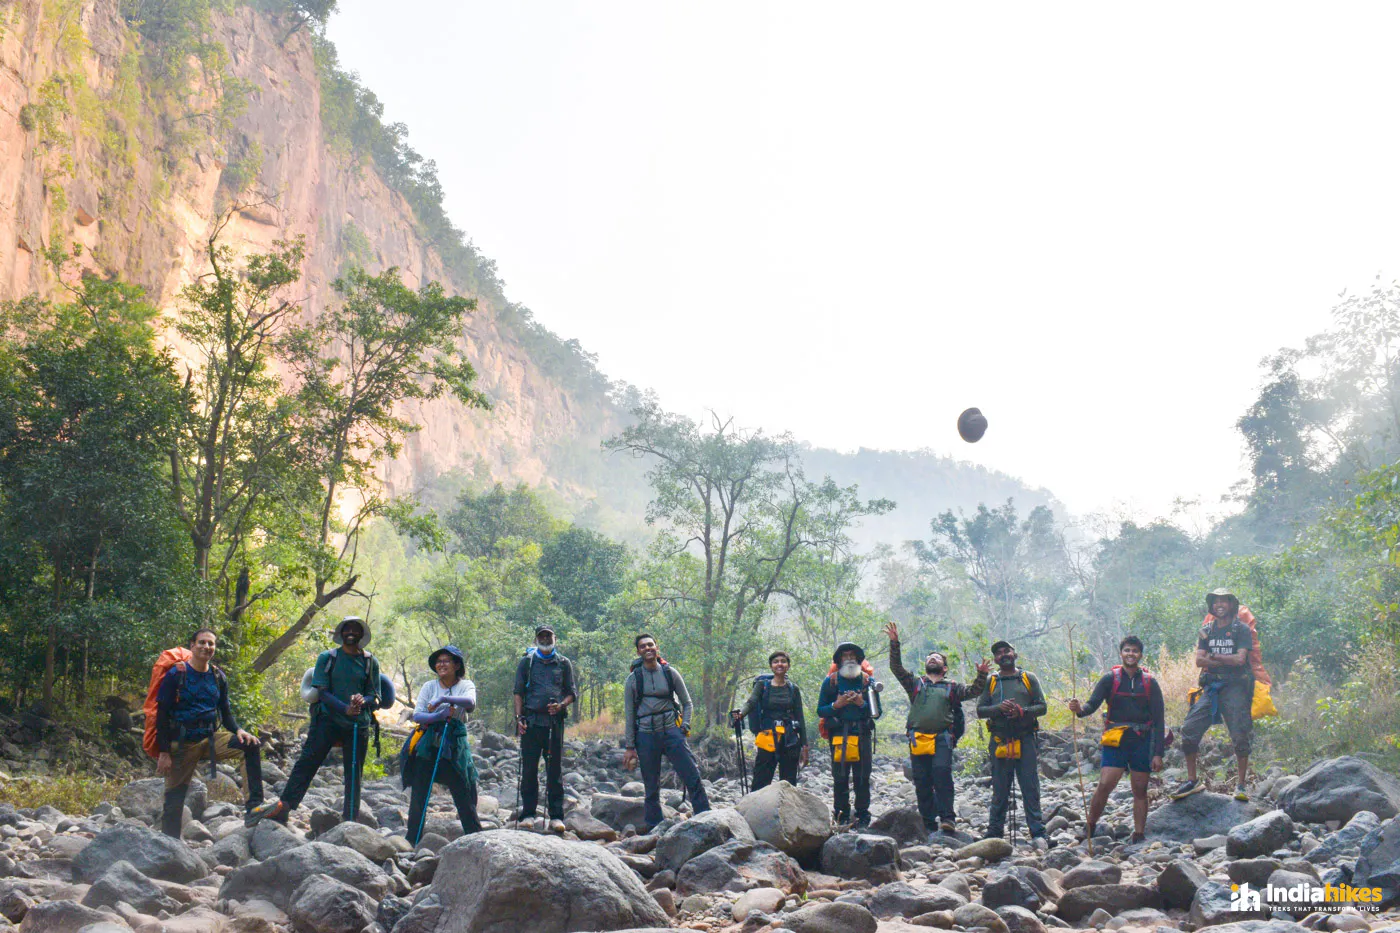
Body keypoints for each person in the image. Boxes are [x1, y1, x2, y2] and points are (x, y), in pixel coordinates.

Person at [247, 616, 382, 826]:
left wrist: (360, 701)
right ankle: (284, 807)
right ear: (341, 633)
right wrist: (345, 708)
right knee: (307, 762)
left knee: (354, 771)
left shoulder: (369, 661)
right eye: (347, 629)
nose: (351, 633)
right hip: (327, 719)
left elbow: (373, 695)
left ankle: (350, 820)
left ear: (362, 635)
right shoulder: (327, 658)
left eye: (356, 629)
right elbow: (323, 692)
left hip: (358, 724)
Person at [154, 629, 264, 837]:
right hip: (183, 742)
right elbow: (161, 715)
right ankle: (169, 843)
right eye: (202, 643)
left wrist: (240, 730)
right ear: (192, 645)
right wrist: (164, 752)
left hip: (211, 738)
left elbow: (226, 712)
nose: (207, 647)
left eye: (211, 644)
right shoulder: (176, 674)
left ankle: (254, 808)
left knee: (250, 745)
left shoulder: (217, 676)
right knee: (174, 798)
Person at [885, 622, 990, 834]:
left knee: (942, 773)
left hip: (943, 737)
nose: (932, 658)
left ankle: (947, 818)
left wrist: (982, 675)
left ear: (944, 668)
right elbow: (896, 668)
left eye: (938, 658)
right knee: (922, 779)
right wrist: (894, 643)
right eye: (929, 657)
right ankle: (928, 822)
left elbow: (974, 691)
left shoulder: (952, 686)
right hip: (918, 737)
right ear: (926, 665)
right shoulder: (915, 683)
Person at [1068, 635, 1165, 844]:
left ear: (1140, 655)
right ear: (1121, 653)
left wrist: (1158, 753)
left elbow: (1159, 720)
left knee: (1140, 789)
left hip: (1142, 740)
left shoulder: (1150, 683)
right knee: (1105, 784)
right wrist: (1079, 710)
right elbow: (1091, 705)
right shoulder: (1110, 679)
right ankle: (1090, 827)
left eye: (1135, 651)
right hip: (1116, 740)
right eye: (1127, 650)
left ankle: (1139, 834)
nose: (1131, 654)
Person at [1172, 588, 1255, 801]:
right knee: (1189, 729)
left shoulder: (1242, 630)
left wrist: (1214, 656)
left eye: (1223, 601)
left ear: (1231, 605)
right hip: (1212, 688)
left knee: (1240, 734)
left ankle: (1242, 785)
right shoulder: (1206, 630)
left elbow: (1240, 660)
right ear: (1211, 606)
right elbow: (1199, 661)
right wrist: (1222, 658)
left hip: (1235, 687)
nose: (1219, 605)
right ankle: (1192, 781)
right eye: (1215, 601)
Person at [622, 634, 712, 830]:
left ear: (657, 647)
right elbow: (629, 714)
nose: (648, 648)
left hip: (672, 732)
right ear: (638, 651)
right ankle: (654, 827)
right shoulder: (633, 679)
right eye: (643, 646)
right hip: (645, 735)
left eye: (651, 645)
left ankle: (706, 818)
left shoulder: (670, 673)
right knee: (651, 784)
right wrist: (630, 747)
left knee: (691, 775)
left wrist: (684, 727)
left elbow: (687, 703)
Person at [977, 639, 1052, 849]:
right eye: (999, 653)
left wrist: (1023, 712)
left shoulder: (1028, 678)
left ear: (1014, 653)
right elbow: (981, 710)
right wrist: (999, 708)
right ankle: (994, 834)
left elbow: (1042, 707)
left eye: (1007, 651)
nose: (1004, 655)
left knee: (1030, 786)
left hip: (1025, 738)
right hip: (1000, 739)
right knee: (1000, 787)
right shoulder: (991, 681)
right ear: (995, 659)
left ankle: (1038, 833)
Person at [404, 645, 481, 845]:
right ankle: (412, 840)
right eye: (439, 661)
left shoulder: (466, 685)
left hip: (454, 746)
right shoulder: (429, 686)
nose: (441, 664)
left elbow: (470, 703)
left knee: (465, 790)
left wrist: (443, 699)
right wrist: (438, 715)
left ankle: (474, 837)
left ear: (457, 665)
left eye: (446, 661)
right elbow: (418, 714)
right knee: (420, 791)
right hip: (429, 744)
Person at [513, 624, 577, 832]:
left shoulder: (564, 663)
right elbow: (518, 692)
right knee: (529, 769)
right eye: (541, 636)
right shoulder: (527, 663)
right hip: (531, 722)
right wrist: (519, 717)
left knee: (554, 769)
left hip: (554, 723)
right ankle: (528, 814)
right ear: (536, 640)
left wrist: (561, 705)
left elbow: (571, 692)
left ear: (555, 638)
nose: (545, 639)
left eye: (548, 636)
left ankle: (556, 816)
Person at [817, 642, 878, 829]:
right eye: (845, 655)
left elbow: (876, 712)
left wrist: (861, 703)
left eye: (853, 655)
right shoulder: (831, 682)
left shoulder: (868, 682)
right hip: (839, 735)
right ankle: (841, 814)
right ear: (840, 659)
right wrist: (837, 705)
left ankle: (862, 816)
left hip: (862, 734)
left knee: (862, 776)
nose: (849, 658)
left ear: (859, 659)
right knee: (840, 776)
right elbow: (821, 710)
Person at [729, 651, 808, 790]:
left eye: (783, 661)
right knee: (761, 778)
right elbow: (751, 702)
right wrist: (741, 713)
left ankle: (787, 809)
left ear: (788, 666)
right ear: (771, 666)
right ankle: (755, 808)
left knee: (789, 781)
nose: (780, 664)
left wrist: (805, 746)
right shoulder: (762, 685)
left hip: (790, 738)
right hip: (768, 736)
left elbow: (799, 716)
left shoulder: (793, 689)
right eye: (776, 661)